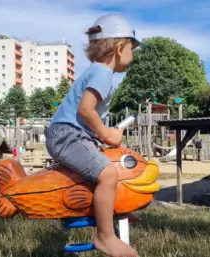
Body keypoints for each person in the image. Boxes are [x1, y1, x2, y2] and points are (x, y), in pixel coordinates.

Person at [45, 14, 142, 257]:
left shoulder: (97, 71)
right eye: (132, 47)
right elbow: (85, 110)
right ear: (120, 48)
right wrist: (107, 134)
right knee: (108, 173)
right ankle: (105, 237)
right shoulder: (103, 74)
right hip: (68, 136)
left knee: (112, 164)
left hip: (73, 135)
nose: (133, 54)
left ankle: (114, 206)